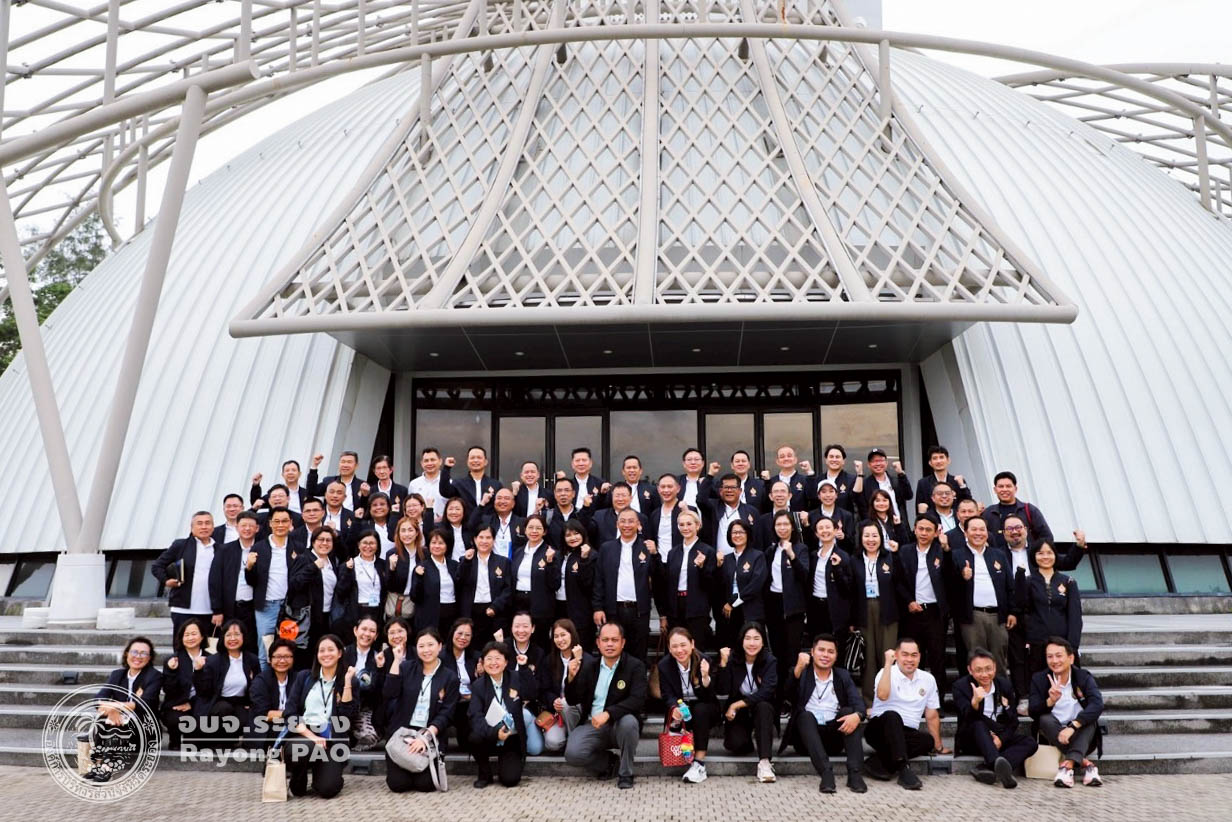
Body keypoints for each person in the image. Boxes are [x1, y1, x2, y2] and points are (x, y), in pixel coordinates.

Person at [563, 622, 647, 790]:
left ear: (623, 642)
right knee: (573, 754)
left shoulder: (635, 666)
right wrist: (571, 678)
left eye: (614, 640)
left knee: (629, 722)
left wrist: (608, 713)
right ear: (598, 643)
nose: (609, 644)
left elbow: (637, 700)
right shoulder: (590, 666)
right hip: (593, 724)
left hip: (620, 724)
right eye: (605, 640)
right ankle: (609, 763)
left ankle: (626, 773)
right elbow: (572, 700)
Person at [784, 634, 867, 794]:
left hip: (833, 737)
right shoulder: (802, 673)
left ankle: (855, 774)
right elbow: (787, 696)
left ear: (836, 656)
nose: (825, 655)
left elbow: (858, 703)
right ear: (812, 652)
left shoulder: (842, 675)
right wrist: (797, 669)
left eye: (830, 652)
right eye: (821, 650)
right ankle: (826, 773)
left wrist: (857, 715)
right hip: (806, 738)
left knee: (849, 712)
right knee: (805, 716)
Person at [384, 627, 461, 793]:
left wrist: (425, 738)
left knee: (426, 785)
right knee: (398, 784)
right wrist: (397, 660)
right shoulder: (406, 668)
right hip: (402, 733)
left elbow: (446, 713)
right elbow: (390, 692)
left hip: (430, 734)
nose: (426, 650)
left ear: (440, 646)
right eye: (421, 646)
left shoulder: (450, 677)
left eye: (430, 645)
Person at [865, 639, 947, 790]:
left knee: (928, 741)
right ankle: (904, 769)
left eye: (914, 655)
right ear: (896, 655)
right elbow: (882, 695)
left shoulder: (928, 679)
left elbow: (932, 715)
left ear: (919, 657)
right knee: (893, 716)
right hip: (880, 728)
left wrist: (938, 746)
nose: (910, 659)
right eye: (905, 655)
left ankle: (878, 762)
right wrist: (888, 664)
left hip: (906, 733)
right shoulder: (885, 672)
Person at [952, 648, 1038, 788]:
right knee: (978, 724)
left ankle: (987, 768)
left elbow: (1013, 721)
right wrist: (975, 702)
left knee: (1030, 742)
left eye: (988, 669)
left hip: (998, 736)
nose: (984, 674)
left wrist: (1001, 739)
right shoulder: (960, 687)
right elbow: (967, 719)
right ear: (970, 670)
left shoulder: (1004, 685)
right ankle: (997, 764)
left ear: (995, 667)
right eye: (979, 670)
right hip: (973, 738)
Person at [284, 634, 357, 798]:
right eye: (321, 650)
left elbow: (346, 718)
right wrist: (312, 737)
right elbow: (289, 713)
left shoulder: (350, 681)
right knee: (304, 748)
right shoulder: (304, 677)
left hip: (332, 740)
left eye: (331, 650)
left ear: (340, 653)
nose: (326, 654)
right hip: (303, 734)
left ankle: (323, 773)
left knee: (328, 789)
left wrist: (347, 682)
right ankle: (298, 777)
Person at [1029, 637, 1104, 788]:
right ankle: (1086, 765)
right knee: (1045, 719)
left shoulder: (1083, 677)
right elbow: (1033, 711)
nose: (1054, 661)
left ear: (1071, 658)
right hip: (1054, 735)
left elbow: (1097, 704)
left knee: (1090, 720)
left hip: (1081, 734)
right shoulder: (1039, 679)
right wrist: (1050, 701)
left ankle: (1067, 766)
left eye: (1059, 656)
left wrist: (1073, 726)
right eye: (1050, 656)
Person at [87, 636, 162, 783]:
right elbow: (99, 698)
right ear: (127, 653)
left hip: (144, 731)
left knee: (116, 725)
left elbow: (144, 703)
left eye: (143, 653)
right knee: (105, 721)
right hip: (119, 729)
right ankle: (99, 765)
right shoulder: (117, 675)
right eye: (134, 652)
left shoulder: (155, 676)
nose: (138, 656)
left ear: (149, 658)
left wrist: (115, 706)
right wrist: (112, 709)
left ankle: (105, 767)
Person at [592, 508, 660, 662]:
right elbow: (599, 580)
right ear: (617, 524)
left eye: (631, 521)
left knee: (639, 653)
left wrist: (655, 555)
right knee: (614, 652)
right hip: (614, 610)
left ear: (638, 524)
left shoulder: (647, 547)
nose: (627, 525)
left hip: (639, 611)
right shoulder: (607, 548)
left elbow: (659, 577)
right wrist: (598, 608)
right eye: (623, 521)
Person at [950, 515, 1015, 670]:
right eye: (974, 529)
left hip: (998, 617)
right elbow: (949, 587)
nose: (978, 533)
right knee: (977, 660)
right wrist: (962, 577)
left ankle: (999, 687)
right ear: (965, 533)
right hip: (973, 617)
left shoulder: (998, 554)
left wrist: (1012, 612)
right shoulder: (956, 555)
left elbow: (1010, 586)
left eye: (982, 529)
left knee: (999, 661)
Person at [469, 641, 536, 788]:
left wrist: (524, 669)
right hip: (490, 735)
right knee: (474, 737)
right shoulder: (478, 686)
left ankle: (506, 765)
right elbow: (475, 716)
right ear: (483, 662)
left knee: (510, 780)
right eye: (489, 659)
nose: (493, 663)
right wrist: (495, 733)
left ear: (506, 662)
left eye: (498, 658)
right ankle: (485, 773)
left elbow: (531, 693)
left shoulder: (515, 678)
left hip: (512, 738)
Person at [717, 622, 778, 782]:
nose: (752, 643)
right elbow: (722, 689)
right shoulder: (733, 658)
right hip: (740, 712)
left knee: (764, 707)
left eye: (756, 638)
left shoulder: (769, 661)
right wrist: (723, 663)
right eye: (748, 638)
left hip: (760, 707)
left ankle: (765, 763)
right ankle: (748, 740)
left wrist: (736, 705)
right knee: (736, 745)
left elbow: (766, 692)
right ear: (741, 640)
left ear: (763, 642)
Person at [896, 513, 950, 695]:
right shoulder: (905, 551)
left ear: (936, 532)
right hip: (912, 612)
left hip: (935, 612)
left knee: (937, 657)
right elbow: (898, 581)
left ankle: (938, 699)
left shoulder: (941, 551)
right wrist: (909, 601)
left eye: (928, 530)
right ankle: (912, 697)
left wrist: (946, 549)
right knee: (912, 657)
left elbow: (951, 576)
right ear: (914, 530)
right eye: (921, 529)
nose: (924, 533)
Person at [657, 627, 719, 783]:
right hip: (681, 708)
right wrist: (674, 707)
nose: (679, 650)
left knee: (700, 710)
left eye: (683, 645)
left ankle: (699, 763)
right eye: (674, 646)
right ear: (669, 648)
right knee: (675, 716)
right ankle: (678, 754)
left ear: (692, 644)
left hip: (704, 708)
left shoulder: (704, 660)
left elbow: (710, 696)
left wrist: (705, 677)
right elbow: (667, 694)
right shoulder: (664, 665)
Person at [1017, 543, 1083, 681]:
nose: (1045, 557)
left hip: (1063, 642)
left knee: (1067, 682)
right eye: (1040, 553)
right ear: (1034, 556)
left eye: (1049, 552)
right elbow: (1022, 608)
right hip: (1037, 643)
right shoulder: (1028, 581)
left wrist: (1073, 646)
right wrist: (1019, 577)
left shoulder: (1068, 582)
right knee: (1039, 683)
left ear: (1055, 555)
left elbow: (1075, 616)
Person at [764, 511, 810, 707]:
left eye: (786, 524)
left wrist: (792, 555)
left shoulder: (801, 548)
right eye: (778, 524)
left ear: (792, 527)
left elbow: (804, 576)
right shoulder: (771, 550)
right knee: (777, 655)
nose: (782, 528)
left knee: (792, 655)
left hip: (793, 608)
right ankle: (780, 698)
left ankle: (794, 698)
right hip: (774, 605)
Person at [853, 520, 899, 704]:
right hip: (863, 610)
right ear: (860, 538)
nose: (870, 540)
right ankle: (869, 700)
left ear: (881, 537)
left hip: (887, 609)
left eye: (874, 535)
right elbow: (849, 591)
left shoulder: (890, 558)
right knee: (868, 657)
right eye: (866, 536)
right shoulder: (854, 560)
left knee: (887, 654)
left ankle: (890, 698)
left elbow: (900, 584)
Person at [287, 526, 348, 664]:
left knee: (324, 655)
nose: (325, 543)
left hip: (327, 616)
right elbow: (293, 585)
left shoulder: (332, 561)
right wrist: (313, 567)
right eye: (321, 539)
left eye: (328, 540)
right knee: (306, 657)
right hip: (308, 617)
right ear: (313, 541)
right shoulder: (304, 558)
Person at [152, 510, 220, 633]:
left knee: (208, 644)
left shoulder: (220, 549)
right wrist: (166, 581)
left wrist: (219, 609)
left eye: (207, 523)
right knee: (181, 643)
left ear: (213, 526)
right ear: (192, 527)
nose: (204, 527)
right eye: (199, 523)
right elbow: (157, 566)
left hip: (210, 610)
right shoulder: (181, 545)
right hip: (183, 609)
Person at [654, 508, 715, 647]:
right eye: (681, 525)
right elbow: (667, 584)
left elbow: (711, 585)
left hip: (696, 608)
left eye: (689, 524)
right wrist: (664, 613)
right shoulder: (673, 553)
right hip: (675, 608)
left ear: (697, 526)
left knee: (696, 648)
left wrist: (701, 567)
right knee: (675, 647)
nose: (685, 528)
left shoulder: (707, 551)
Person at [195, 619, 260, 748]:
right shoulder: (214, 661)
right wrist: (198, 671)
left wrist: (250, 702)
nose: (232, 638)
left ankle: (231, 740)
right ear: (223, 638)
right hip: (217, 703)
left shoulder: (252, 659)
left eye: (237, 634)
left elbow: (257, 686)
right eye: (228, 635)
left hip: (240, 702)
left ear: (244, 637)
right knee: (224, 709)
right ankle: (217, 741)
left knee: (247, 717)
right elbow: (203, 691)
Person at [248, 507, 297, 668]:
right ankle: (265, 682)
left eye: (284, 521)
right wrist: (249, 567)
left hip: (289, 607)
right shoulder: (259, 547)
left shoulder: (297, 547)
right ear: (270, 523)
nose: (280, 525)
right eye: (276, 521)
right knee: (265, 651)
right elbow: (251, 581)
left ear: (290, 523)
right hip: (266, 606)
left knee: (289, 649)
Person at [208, 510, 261, 655]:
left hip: (253, 608)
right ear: (237, 527)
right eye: (243, 525)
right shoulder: (224, 550)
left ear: (257, 528)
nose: (247, 529)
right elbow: (215, 580)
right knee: (228, 644)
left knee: (251, 645)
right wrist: (217, 610)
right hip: (229, 607)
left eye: (251, 526)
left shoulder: (263, 549)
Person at [805, 517, 856, 659]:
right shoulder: (813, 555)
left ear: (835, 530)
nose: (824, 531)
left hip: (835, 609)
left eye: (828, 527)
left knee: (835, 648)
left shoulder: (843, 556)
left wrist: (837, 568)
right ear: (816, 533)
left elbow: (848, 589)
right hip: (816, 607)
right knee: (817, 646)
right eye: (820, 528)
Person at [508, 514, 560, 648]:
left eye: (538, 528)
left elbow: (555, 584)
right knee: (519, 638)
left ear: (545, 531)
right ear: (525, 530)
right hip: (519, 602)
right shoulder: (518, 552)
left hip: (540, 605)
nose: (534, 531)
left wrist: (550, 562)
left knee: (539, 642)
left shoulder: (551, 553)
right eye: (530, 527)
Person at [160, 618, 210, 750]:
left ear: (202, 636)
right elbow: (168, 691)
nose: (190, 638)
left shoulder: (211, 659)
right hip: (177, 704)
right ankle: (174, 739)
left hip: (202, 704)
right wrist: (171, 671)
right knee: (175, 718)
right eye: (186, 635)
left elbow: (211, 689)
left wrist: (192, 703)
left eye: (194, 634)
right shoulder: (173, 659)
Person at [715, 520, 766, 648]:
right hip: (730, 612)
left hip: (750, 610)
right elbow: (720, 585)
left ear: (748, 534)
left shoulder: (757, 556)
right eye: (734, 532)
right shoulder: (727, 559)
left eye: (741, 532)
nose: (737, 535)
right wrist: (718, 566)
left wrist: (733, 603)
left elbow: (756, 584)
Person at [458, 524, 512, 645]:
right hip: (471, 612)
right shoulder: (465, 559)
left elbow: (508, 589)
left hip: (494, 611)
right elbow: (460, 581)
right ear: (474, 539)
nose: (484, 541)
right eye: (481, 537)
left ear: (493, 540)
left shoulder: (503, 562)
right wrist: (466, 562)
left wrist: (495, 607)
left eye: (488, 538)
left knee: (495, 647)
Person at [539, 619, 585, 753]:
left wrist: (578, 661)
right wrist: (553, 700)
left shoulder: (586, 660)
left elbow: (586, 691)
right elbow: (544, 689)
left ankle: (575, 742)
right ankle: (573, 740)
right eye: (556, 636)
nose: (560, 640)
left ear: (572, 635)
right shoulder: (549, 660)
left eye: (563, 635)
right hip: (558, 713)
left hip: (578, 711)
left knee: (567, 703)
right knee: (552, 743)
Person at [341, 615, 386, 750]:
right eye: (364, 629)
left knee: (368, 737)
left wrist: (380, 668)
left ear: (376, 636)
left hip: (367, 708)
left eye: (372, 631)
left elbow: (380, 690)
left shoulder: (379, 657)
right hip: (344, 706)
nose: (367, 634)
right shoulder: (342, 653)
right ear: (355, 631)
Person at [506, 612, 547, 755]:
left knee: (535, 749)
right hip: (505, 706)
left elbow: (536, 689)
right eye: (517, 626)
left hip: (529, 707)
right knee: (523, 716)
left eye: (525, 626)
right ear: (511, 628)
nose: (521, 630)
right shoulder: (503, 648)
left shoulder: (539, 652)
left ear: (533, 628)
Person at [336, 530, 388, 639]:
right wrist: (347, 571)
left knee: (375, 641)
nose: (368, 546)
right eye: (365, 543)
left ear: (377, 546)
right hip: (356, 611)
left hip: (377, 611)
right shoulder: (350, 564)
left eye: (372, 543)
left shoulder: (382, 564)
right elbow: (341, 592)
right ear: (358, 545)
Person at [985, 471, 1055, 549]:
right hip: (998, 556)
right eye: (1001, 486)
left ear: (1015, 489)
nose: (1004, 489)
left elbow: (1047, 537)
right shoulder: (988, 513)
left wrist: (1033, 553)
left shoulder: (1029, 510)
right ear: (995, 490)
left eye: (1008, 486)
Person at [411, 529, 461, 637]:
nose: (437, 546)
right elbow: (414, 596)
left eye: (441, 543)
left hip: (451, 611)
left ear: (447, 545)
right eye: (433, 543)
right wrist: (419, 578)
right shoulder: (422, 567)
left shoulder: (454, 565)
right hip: (430, 614)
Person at [249, 638, 297, 749]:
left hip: (292, 724)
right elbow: (264, 714)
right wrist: (290, 714)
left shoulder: (298, 678)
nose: (282, 661)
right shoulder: (260, 681)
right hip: (265, 728)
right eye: (278, 657)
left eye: (287, 656)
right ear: (270, 659)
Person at [558, 521, 599, 649]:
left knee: (581, 648)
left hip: (581, 612)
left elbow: (588, 584)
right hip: (560, 606)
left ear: (583, 534)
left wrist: (584, 560)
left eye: (576, 533)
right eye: (568, 535)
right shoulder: (560, 555)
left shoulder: (591, 555)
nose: (573, 538)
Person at [445, 618, 480, 754]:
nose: (463, 638)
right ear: (452, 633)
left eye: (467, 635)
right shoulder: (441, 656)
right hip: (449, 702)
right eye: (459, 633)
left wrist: (480, 675)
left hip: (469, 704)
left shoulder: (476, 657)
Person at [700, 473, 759, 555]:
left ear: (740, 491)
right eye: (726, 487)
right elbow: (700, 500)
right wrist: (710, 476)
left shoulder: (751, 511)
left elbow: (757, 540)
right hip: (717, 559)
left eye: (733, 487)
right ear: (720, 491)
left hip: (743, 560)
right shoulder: (713, 507)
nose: (729, 490)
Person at [469, 487, 527, 561]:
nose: (502, 501)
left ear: (513, 504)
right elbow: (471, 525)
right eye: (499, 498)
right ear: (494, 502)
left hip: (515, 564)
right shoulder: (487, 520)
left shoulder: (522, 522)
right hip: (491, 564)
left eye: (506, 498)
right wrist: (482, 503)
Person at [858, 449, 912, 525]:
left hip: (899, 524)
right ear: (869, 464)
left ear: (886, 463)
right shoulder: (865, 484)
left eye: (881, 460)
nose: (878, 464)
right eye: (874, 461)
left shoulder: (895, 481)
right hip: (877, 527)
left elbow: (908, 495)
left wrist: (901, 474)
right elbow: (863, 509)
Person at [386, 515, 423, 620]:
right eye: (403, 531)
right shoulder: (392, 554)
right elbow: (389, 586)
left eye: (410, 530)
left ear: (417, 533)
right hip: (399, 602)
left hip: (419, 603)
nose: (407, 534)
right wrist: (392, 568)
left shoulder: (424, 554)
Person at [915, 446, 972, 514]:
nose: (938, 461)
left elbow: (968, 503)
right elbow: (920, 508)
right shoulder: (923, 483)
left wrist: (962, 486)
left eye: (941, 457)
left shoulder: (957, 481)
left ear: (948, 460)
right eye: (935, 458)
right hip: (932, 519)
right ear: (930, 462)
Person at [408, 447, 456, 522]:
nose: (429, 463)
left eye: (432, 460)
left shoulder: (449, 483)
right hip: (418, 525)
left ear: (440, 461)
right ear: (422, 463)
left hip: (442, 525)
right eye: (426, 461)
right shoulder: (414, 484)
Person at [450, 445, 502, 514]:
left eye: (479, 457)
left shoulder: (496, 484)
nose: (475, 460)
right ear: (467, 462)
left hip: (488, 520)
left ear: (486, 462)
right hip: (466, 520)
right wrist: (446, 468)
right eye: (472, 458)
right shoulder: (458, 484)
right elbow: (444, 492)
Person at [809, 480, 856, 553]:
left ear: (836, 495)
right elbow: (809, 541)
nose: (828, 495)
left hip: (840, 555)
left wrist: (843, 537)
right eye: (824, 492)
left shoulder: (846, 515)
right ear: (819, 496)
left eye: (831, 491)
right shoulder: (811, 515)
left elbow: (853, 542)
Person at [817, 444, 862, 515]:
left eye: (837, 457)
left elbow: (856, 498)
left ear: (843, 461)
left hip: (845, 520)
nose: (834, 460)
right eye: (831, 457)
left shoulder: (851, 479)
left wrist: (860, 474)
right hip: (822, 520)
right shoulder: (818, 480)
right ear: (826, 460)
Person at [441, 497, 472, 562]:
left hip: (468, 564)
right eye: (450, 509)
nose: (454, 512)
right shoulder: (440, 529)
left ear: (464, 511)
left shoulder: (470, 529)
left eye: (457, 509)